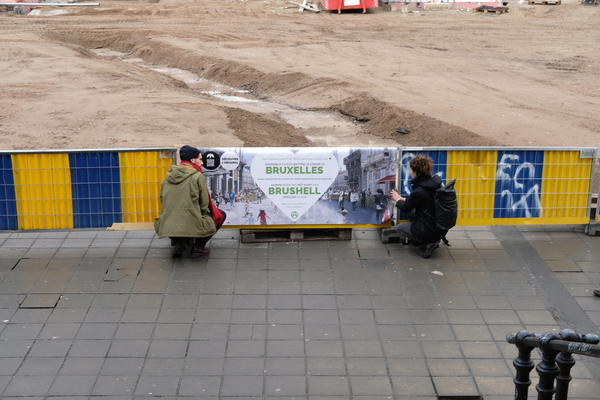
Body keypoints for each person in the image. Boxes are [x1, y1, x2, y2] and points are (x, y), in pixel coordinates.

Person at [155, 145, 219, 258]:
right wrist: (200, 213)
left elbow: (162, 198)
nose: (202, 162)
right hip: (189, 221)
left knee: (179, 216)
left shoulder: (169, 175)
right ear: (192, 160)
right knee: (219, 215)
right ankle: (198, 247)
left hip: (167, 222)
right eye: (200, 159)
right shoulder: (197, 176)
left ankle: (179, 243)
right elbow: (204, 203)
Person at [387, 154, 441, 258]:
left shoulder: (419, 190)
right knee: (413, 214)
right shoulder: (433, 183)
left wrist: (397, 199)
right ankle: (431, 238)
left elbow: (406, 208)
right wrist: (403, 199)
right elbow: (423, 201)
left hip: (429, 227)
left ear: (416, 171)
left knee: (400, 228)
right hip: (439, 225)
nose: (410, 172)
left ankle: (427, 241)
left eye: (410, 169)